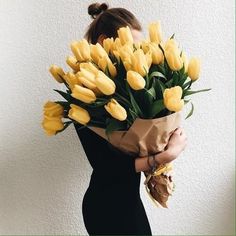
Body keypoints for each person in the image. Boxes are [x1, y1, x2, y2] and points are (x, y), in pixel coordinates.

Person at [74, 2, 187, 235]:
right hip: (106, 208)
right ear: (105, 41)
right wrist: (165, 155)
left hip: (126, 203)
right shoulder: (83, 93)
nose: (137, 54)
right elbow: (106, 166)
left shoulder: (124, 91)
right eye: (131, 46)